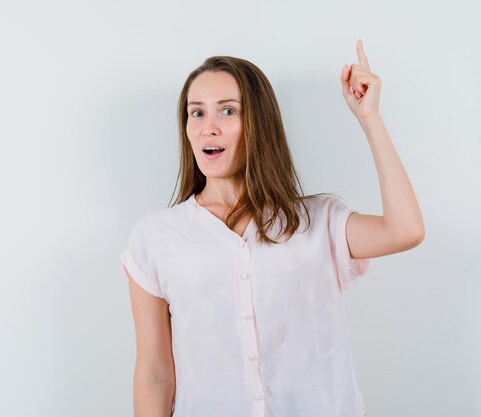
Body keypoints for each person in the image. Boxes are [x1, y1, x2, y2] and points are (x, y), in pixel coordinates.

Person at [119, 39, 424, 417]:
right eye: (196, 113)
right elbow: (154, 374)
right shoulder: (155, 238)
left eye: (227, 111)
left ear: (258, 124)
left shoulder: (319, 222)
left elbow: (406, 230)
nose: (207, 128)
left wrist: (370, 119)